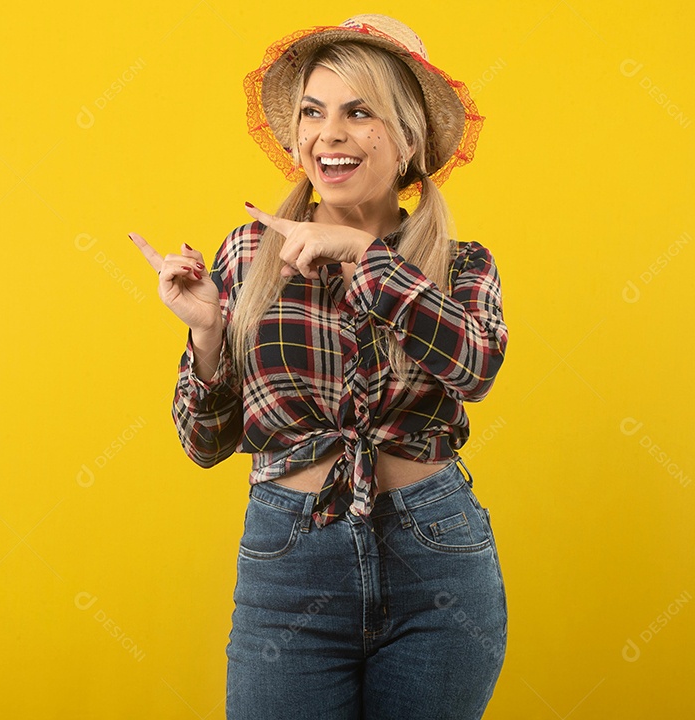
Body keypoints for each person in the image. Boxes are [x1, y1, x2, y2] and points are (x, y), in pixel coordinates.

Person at [130, 13, 508, 720]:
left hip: (437, 561)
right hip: (290, 562)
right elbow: (204, 445)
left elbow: (475, 367)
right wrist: (208, 335)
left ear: (408, 141)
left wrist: (365, 258)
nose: (327, 134)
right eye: (313, 112)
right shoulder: (248, 254)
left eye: (358, 112)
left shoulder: (461, 265)